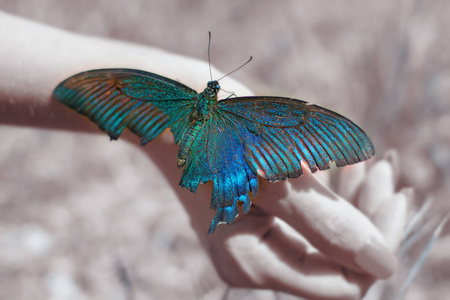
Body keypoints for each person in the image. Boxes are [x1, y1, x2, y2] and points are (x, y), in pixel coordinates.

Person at [0, 11, 409, 300]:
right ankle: (222, 197)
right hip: (218, 140)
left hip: (204, 133)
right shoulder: (231, 109)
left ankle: (222, 194)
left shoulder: (188, 99)